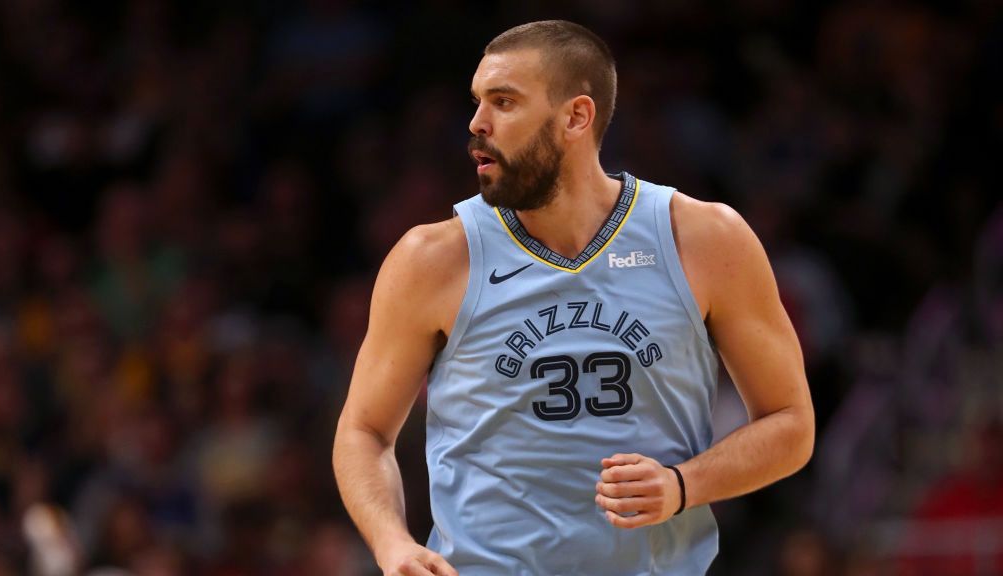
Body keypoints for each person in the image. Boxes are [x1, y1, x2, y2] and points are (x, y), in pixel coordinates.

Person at [333, 20, 814, 576]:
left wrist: (683, 485)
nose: (476, 124)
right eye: (477, 102)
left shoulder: (705, 239)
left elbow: (791, 423)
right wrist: (391, 542)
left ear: (576, 117)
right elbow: (363, 431)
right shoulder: (431, 258)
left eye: (504, 102)